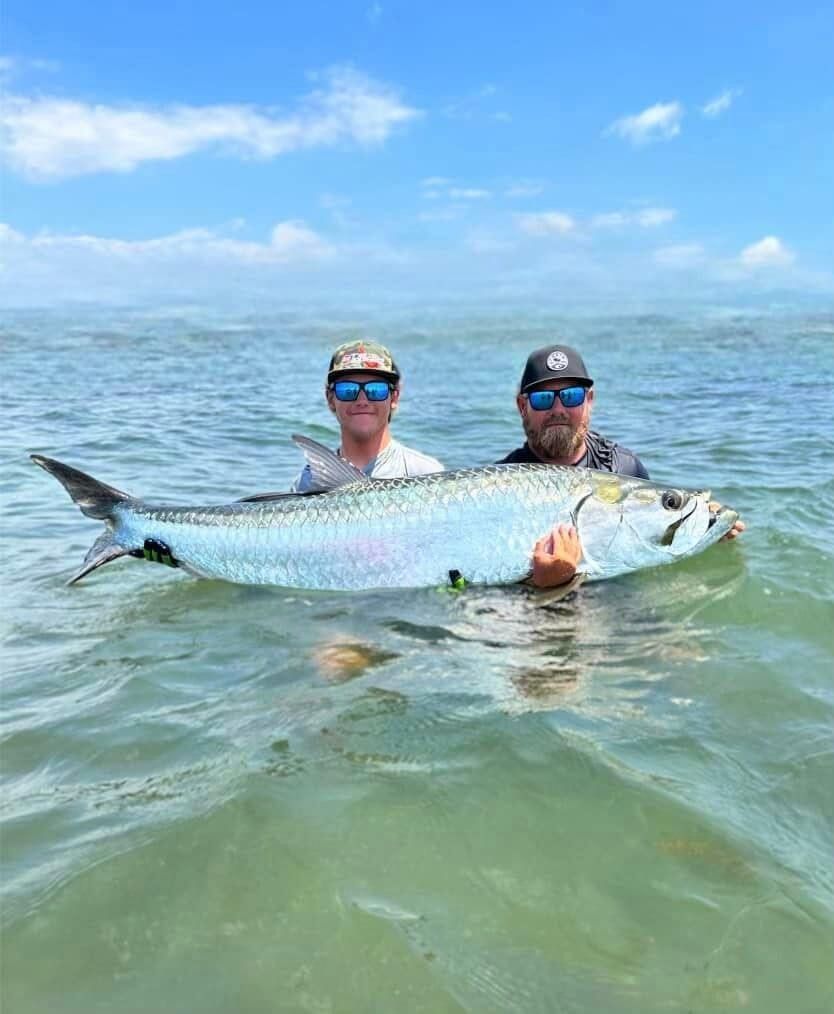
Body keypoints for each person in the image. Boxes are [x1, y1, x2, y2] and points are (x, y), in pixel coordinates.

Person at [500, 344, 745, 588]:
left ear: (589, 401)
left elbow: (646, 549)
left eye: (571, 396)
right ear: (523, 407)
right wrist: (541, 586)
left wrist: (703, 527)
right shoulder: (499, 483)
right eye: (543, 399)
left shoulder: (623, 468)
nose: (558, 409)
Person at [292, 340, 442, 491]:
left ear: (394, 397)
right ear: (331, 399)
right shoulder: (308, 482)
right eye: (348, 390)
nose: (362, 400)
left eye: (376, 389)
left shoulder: (427, 475)